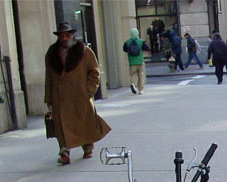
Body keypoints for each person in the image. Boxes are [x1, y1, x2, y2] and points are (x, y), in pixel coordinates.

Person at [45, 22, 111, 165]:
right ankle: (64, 152)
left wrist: (89, 90)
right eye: (62, 35)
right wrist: (48, 98)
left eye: (67, 35)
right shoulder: (51, 53)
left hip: (80, 95)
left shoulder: (84, 51)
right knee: (61, 126)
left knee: (84, 123)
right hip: (60, 97)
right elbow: (48, 77)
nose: (64, 38)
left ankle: (87, 147)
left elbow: (94, 72)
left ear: (72, 35)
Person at [123, 28, 150, 95]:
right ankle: (140, 90)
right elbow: (147, 48)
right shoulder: (140, 42)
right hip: (140, 61)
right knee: (140, 75)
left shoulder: (127, 42)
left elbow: (125, 49)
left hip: (131, 62)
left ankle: (133, 84)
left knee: (133, 74)